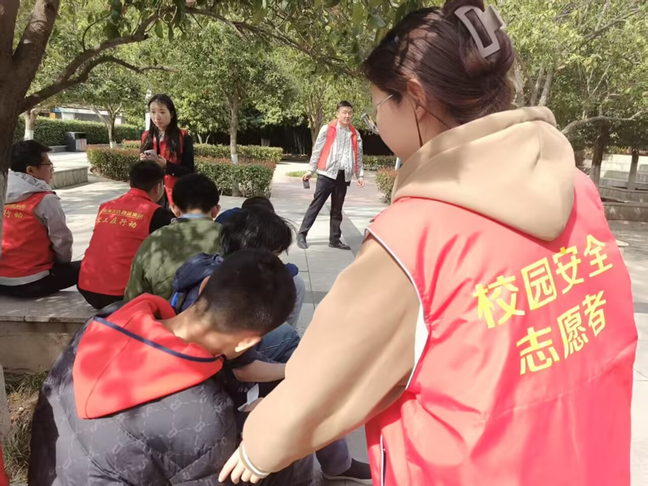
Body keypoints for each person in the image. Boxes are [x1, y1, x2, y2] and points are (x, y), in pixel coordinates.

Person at [220, 2, 638, 485]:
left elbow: (328, 377)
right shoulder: (577, 190)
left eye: (379, 105)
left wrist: (261, 444)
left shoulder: (412, 238)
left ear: (415, 98)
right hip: (588, 459)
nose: (376, 122)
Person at [29, 249, 314, 485]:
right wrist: (265, 428)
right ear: (247, 342)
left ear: (204, 285)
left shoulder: (103, 323)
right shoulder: (203, 416)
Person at [171, 209, 372, 484]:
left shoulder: (207, 271)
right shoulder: (239, 306)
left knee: (294, 358)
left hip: (210, 376)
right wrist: (294, 375)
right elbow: (241, 370)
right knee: (302, 400)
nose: (278, 263)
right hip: (217, 393)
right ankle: (330, 465)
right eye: (275, 255)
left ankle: (335, 461)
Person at [78, 161, 172, 309]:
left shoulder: (106, 207)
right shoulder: (156, 213)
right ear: (158, 187)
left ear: (131, 182)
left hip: (87, 288)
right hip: (123, 295)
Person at [124, 173, 222, 302]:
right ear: (216, 210)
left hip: (163, 313)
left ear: (174, 209)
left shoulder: (153, 240)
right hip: (221, 313)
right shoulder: (230, 237)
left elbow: (133, 296)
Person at [0, 141, 78, 298]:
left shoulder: (3, 193)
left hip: (2, 281)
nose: (51, 170)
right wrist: (62, 264)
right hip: (32, 282)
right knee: (93, 265)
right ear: (31, 170)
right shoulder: (45, 199)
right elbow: (62, 240)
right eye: (48, 165)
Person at [297, 100, 365, 251]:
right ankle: (302, 234)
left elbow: (358, 155)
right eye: (344, 112)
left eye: (350, 113)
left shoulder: (355, 134)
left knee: (337, 210)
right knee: (316, 206)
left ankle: (334, 239)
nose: (347, 116)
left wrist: (360, 175)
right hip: (326, 174)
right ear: (337, 113)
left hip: (343, 176)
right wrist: (310, 170)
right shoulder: (327, 129)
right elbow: (317, 150)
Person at [140, 94, 194, 207]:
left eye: (162, 112)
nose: (157, 117)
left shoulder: (183, 137)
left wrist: (167, 166)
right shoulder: (146, 137)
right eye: (153, 112)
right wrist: (142, 162)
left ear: (172, 114)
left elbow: (189, 171)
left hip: (176, 192)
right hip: (152, 191)